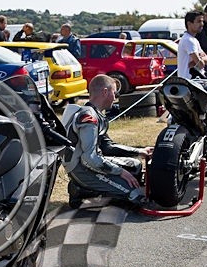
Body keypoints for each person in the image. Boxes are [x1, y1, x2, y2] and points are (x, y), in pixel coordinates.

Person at [65, 74, 153, 208]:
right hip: (82, 169)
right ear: (105, 92)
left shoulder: (96, 113)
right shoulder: (88, 117)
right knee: (135, 195)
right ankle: (79, 190)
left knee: (135, 166)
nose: (115, 97)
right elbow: (90, 158)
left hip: (90, 163)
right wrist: (120, 172)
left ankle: (90, 189)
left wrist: (139, 151)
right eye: (114, 92)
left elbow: (108, 147)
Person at [178, 11, 207, 79]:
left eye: (202, 21)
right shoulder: (188, 40)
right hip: (190, 82)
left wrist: (195, 62)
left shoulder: (194, 40)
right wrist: (199, 61)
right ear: (189, 24)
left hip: (196, 81)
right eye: (199, 21)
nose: (202, 24)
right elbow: (201, 65)